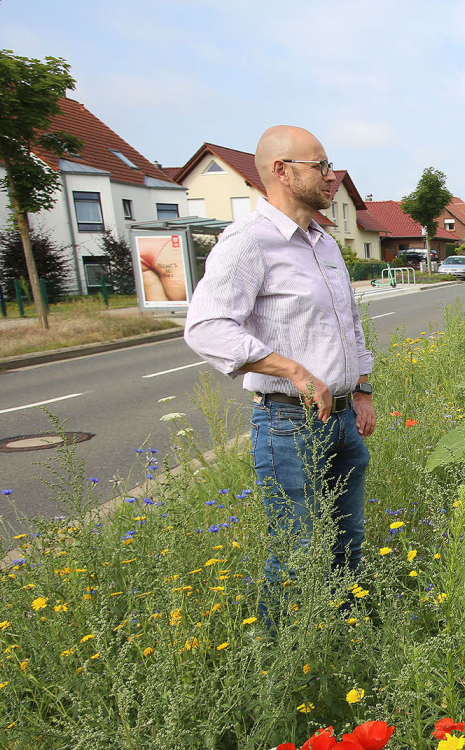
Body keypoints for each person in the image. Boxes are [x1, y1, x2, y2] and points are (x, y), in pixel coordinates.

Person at [184, 125, 375, 626]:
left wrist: (361, 388)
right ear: (281, 171)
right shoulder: (249, 241)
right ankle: (279, 657)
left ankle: (343, 634)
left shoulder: (323, 242)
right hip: (290, 424)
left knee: (347, 538)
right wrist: (290, 369)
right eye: (320, 166)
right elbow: (206, 327)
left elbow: (347, 322)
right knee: (299, 547)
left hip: (341, 422)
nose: (331, 177)